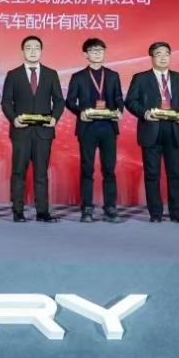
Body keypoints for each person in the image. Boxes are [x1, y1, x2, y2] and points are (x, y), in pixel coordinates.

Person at [0, 35, 65, 222]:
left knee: (41, 173)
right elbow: (6, 102)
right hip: (21, 131)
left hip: (43, 131)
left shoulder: (51, 74)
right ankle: (18, 211)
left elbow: (59, 101)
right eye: (29, 48)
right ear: (23, 51)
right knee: (18, 172)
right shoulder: (13, 74)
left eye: (36, 48)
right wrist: (14, 119)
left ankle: (42, 212)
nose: (33, 51)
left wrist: (54, 118)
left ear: (41, 51)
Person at [125, 41, 179, 223]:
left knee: (175, 174)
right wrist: (145, 113)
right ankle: (155, 213)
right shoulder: (141, 78)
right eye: (159, 54)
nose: (163, 57)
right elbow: (130, 101)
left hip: (173, 129)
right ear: (152, 57)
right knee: (152, 174)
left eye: (166, 54)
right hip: (151, 129)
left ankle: (177, 213)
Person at [64, 37, 124, 223]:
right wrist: (80, 112)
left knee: (109, 169)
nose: (97, 53)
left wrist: (119, 111)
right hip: (87, 128)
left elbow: (119, 98)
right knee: (87, 169)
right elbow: (70, 101)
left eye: (100, 50)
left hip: (108, 127)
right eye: (93, 50)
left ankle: (110, 208)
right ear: (86, 54)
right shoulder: (78, 77)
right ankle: (87, 208)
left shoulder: (113, 75)